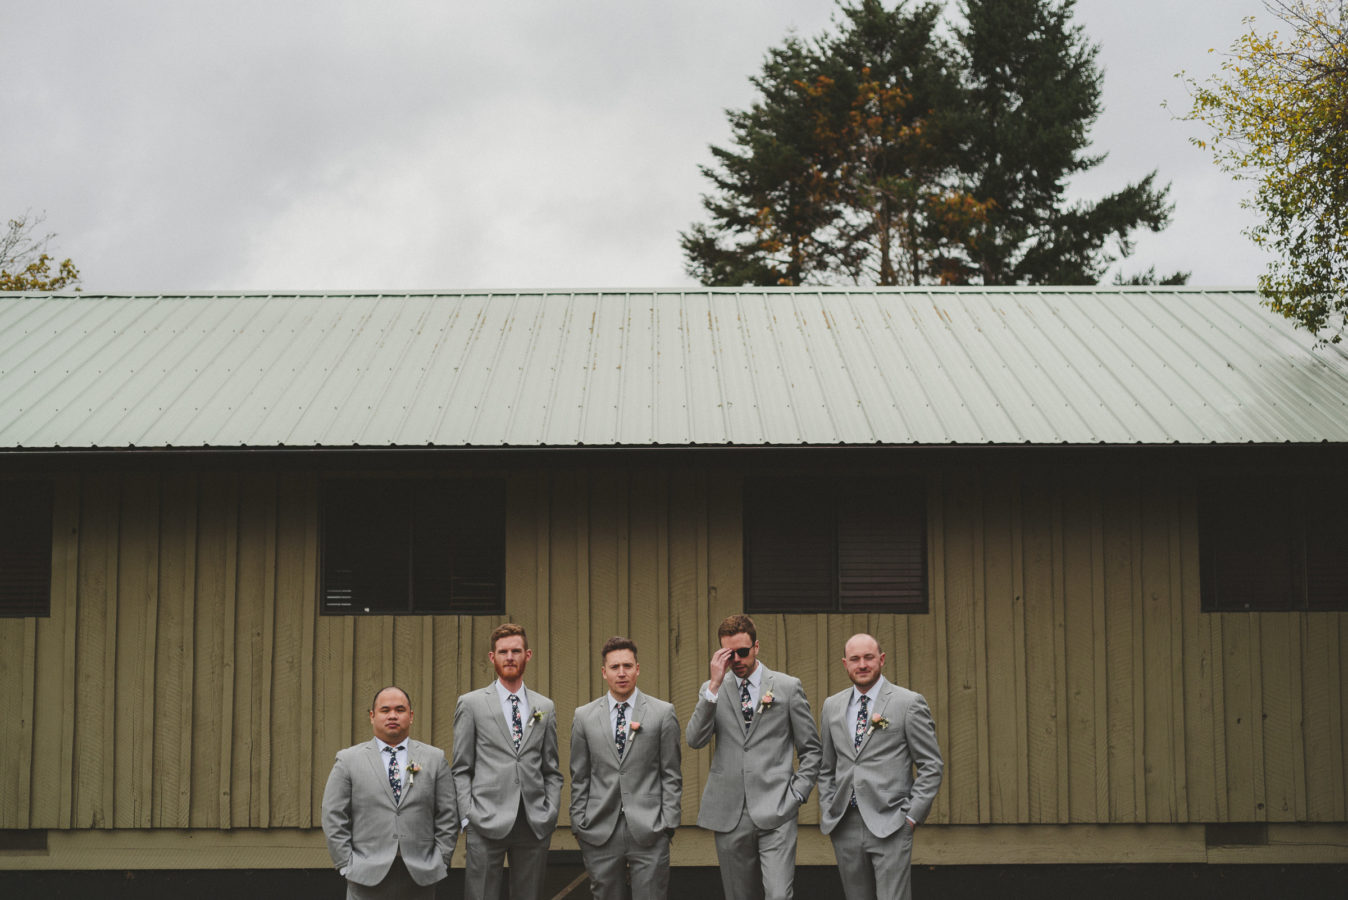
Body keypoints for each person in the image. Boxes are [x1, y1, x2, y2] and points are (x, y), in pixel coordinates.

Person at [686, 614, 821, 900]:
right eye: (728, 653)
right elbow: (695, 740)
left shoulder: (787, 686)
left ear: (756, 647)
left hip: (777, 808)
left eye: (743, 652)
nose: (736, 659)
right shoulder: (712, 689)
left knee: (778, 895)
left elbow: (811, 749)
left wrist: (797, 795)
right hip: (729, 812)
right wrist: (713, 686)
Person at [818, 633, 943, 900]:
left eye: (868, 657)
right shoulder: (831, 706)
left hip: (892, 822)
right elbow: (827, 766)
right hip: (844, 823)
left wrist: (910, 817)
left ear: (882, 660)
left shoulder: (908, 703)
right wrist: (829, 807)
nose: (862, 664)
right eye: (855, 659)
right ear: (845, 664)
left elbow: (931, 765)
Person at [452, 623, 563, 900]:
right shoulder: (471, 704)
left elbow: (551, 769)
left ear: (528, 655)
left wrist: (549, 812)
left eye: (516, 651)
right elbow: (461, 768)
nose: (510, 657)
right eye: (503, 652)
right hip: (485, 817)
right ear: (493, 657)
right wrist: (468, 816)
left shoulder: (544, 707)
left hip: (532, 820)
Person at [570, 636, 682, 900]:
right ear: (604, 672)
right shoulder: (584, 716)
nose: (622, 673)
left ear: (638, 669)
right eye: (615, 667)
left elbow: (671, 773)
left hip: (650, 829)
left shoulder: (662, 713)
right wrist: (579, 824)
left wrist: (667, 824)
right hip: (599, 830)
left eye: (627, 666)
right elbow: (580, 775)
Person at [321, 686, 458, 899]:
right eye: (385, 710)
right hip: (365, 874)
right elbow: (333, 815)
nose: (392, 715)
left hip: (421, 873)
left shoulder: (434, 759)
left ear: (411, 716)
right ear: (372, 716)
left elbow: (448, 815)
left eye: (400, 709)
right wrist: (346, 864)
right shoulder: (348, 761)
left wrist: (441, 859)